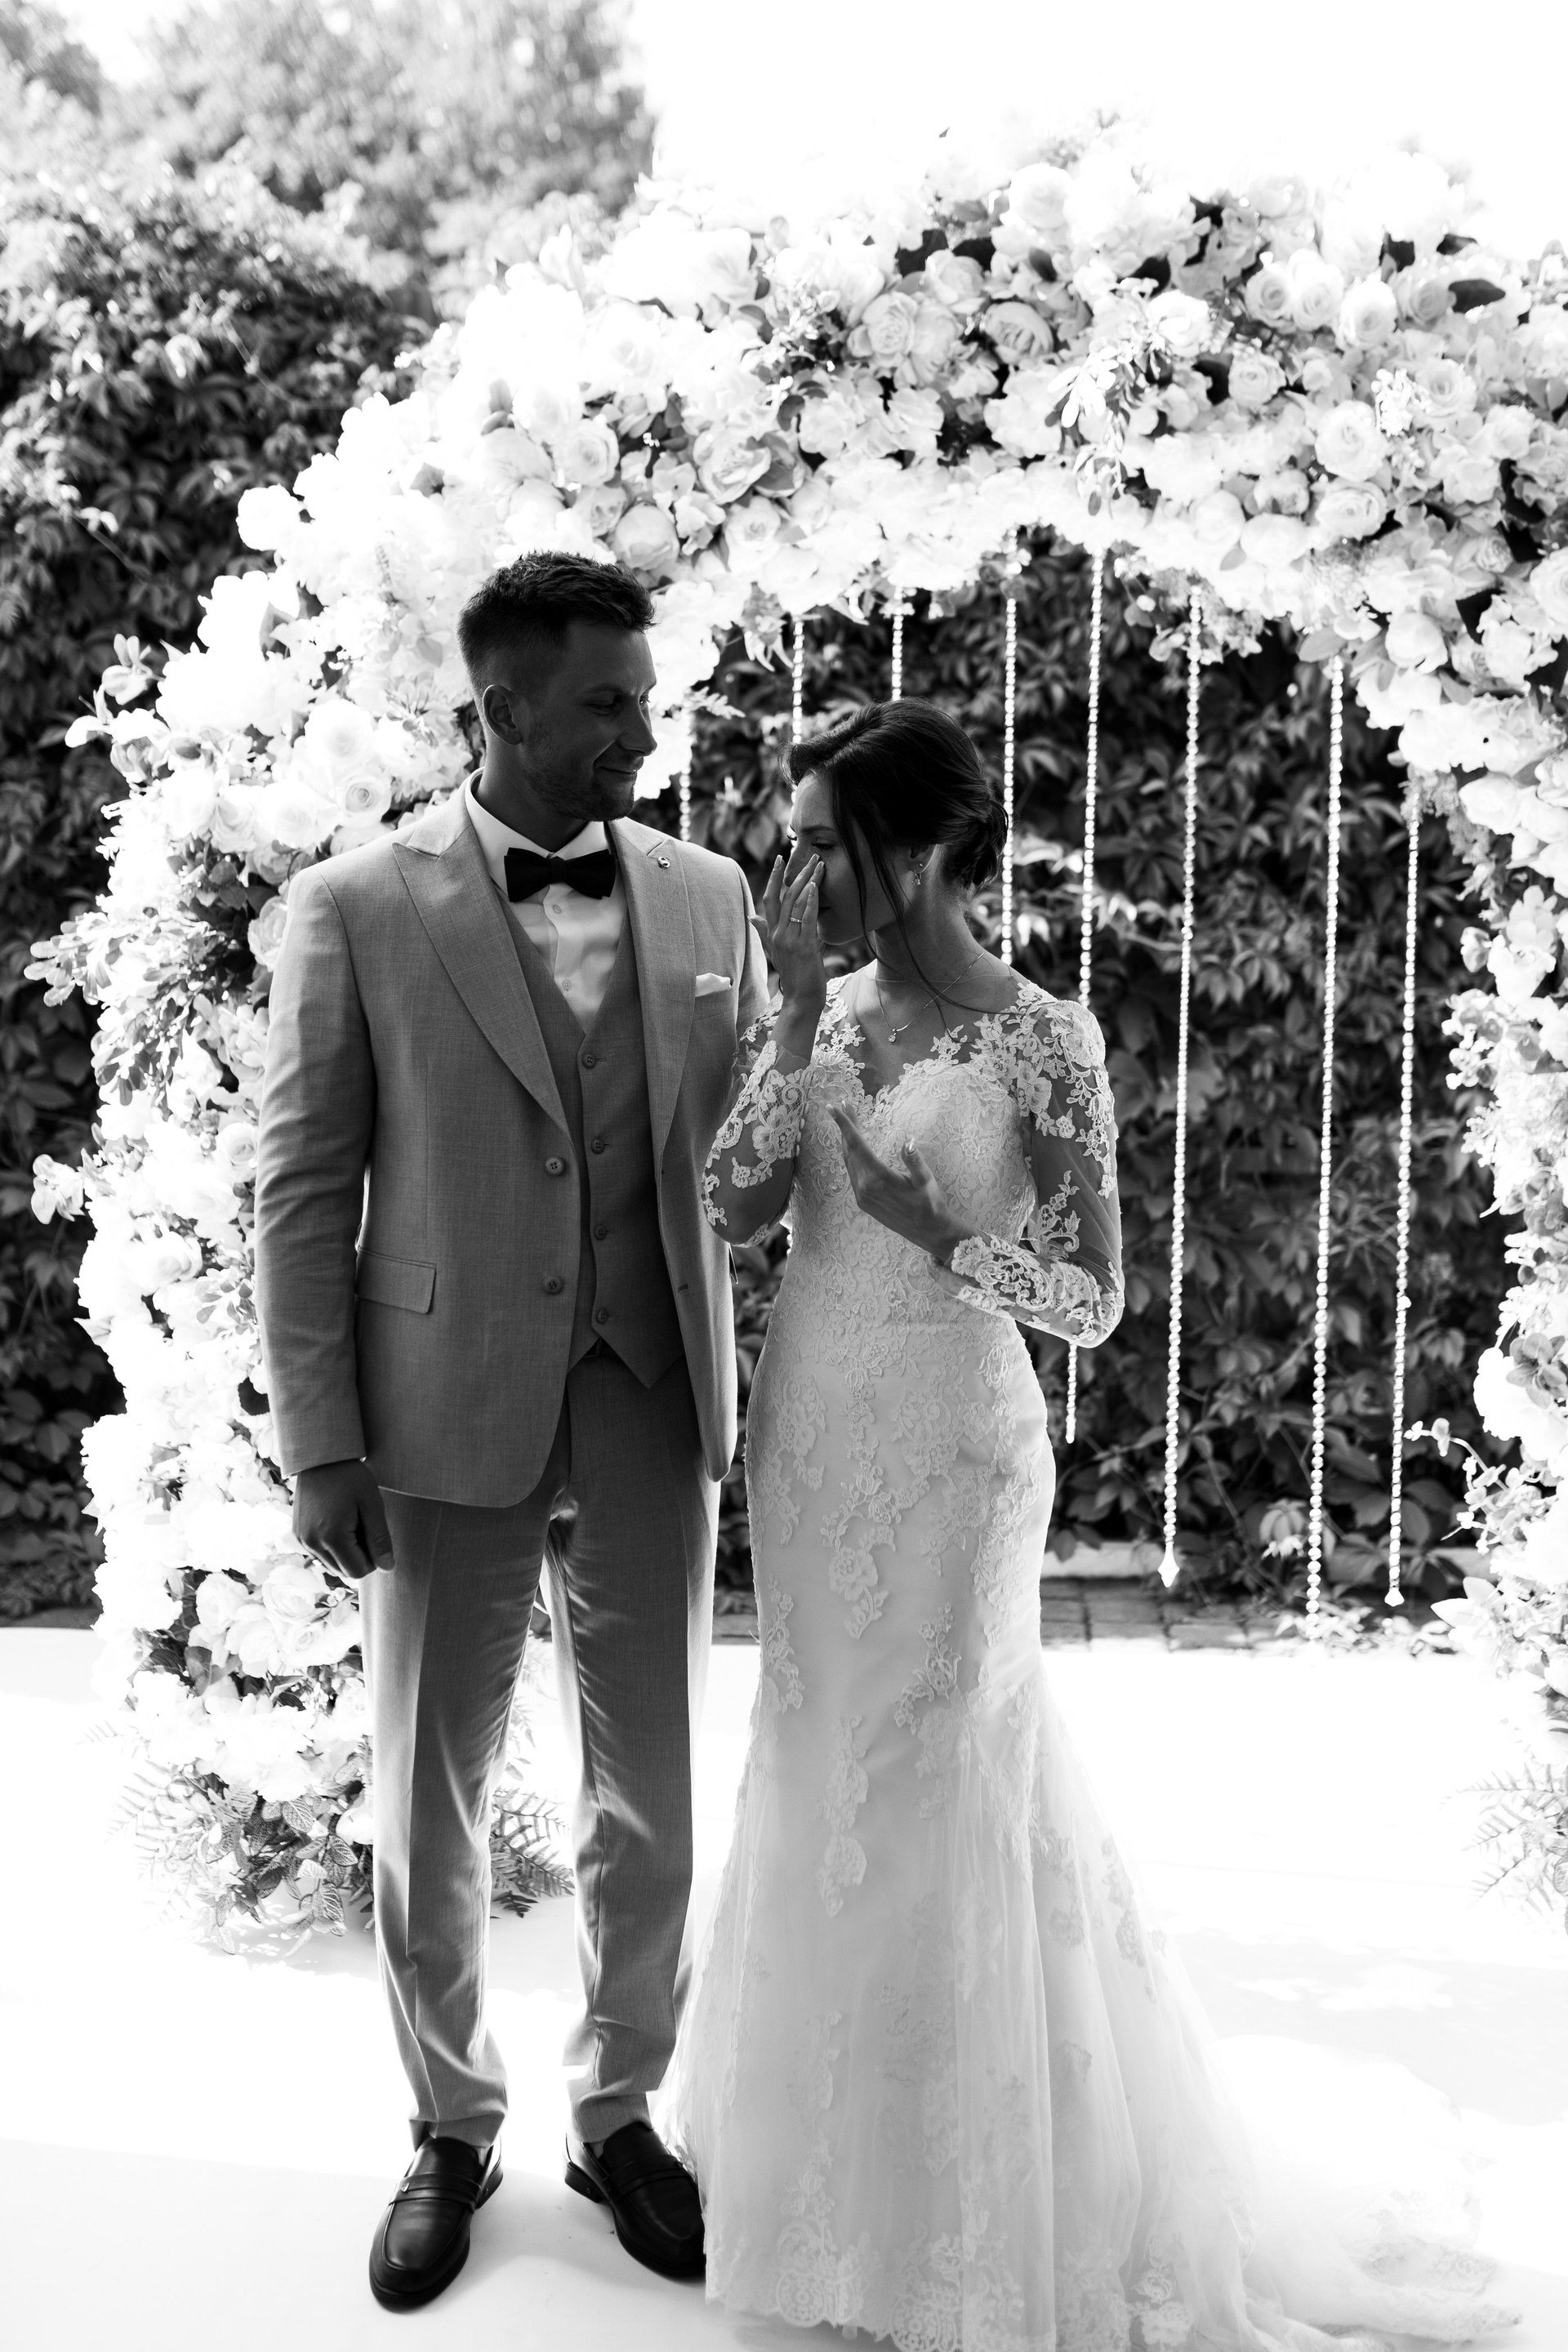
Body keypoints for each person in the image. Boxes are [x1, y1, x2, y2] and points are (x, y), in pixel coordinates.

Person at [663, 697, 1516, 2350]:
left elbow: (1097, 1300)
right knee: (819, 1765)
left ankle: (969, 2220)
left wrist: (941, 1237)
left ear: (917, 851)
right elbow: (732, 1206)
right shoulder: (812, 1011)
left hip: (962, 1454)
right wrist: (788, 1021)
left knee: (943, 1779)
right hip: (816, 1435)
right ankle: (823, 2194)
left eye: (823, 846)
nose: (793, 879)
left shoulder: (1044, 1036)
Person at [254, 551, 767, 2310]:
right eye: (609, 703)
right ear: (503, 707)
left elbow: (748, 1150)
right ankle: (448, 2124)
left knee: (655, 1790)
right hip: (435, 1408)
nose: (643, 732)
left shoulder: (709, 894)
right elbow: (303, 1189)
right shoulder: (355, 905)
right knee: (431, 1793)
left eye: (644, 697)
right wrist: (322, 1442)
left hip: (648, 1389)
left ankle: (619, 2112)